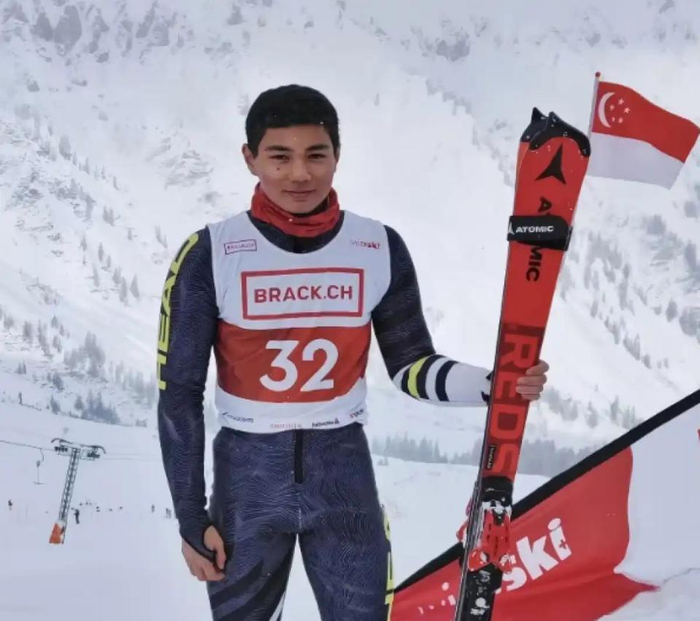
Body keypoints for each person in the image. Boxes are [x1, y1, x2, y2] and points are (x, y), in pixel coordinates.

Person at [157, 85, 549, 621]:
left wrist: (492, 384)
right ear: (250, 158)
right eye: (280, 157)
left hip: (342, 475)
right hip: (247, 482)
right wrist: (189, 517)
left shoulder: (377, 246)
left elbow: (411, 366)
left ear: (337, 155)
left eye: (316, 155)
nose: (300, 174)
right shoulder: (210, 253)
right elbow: (179, 395)